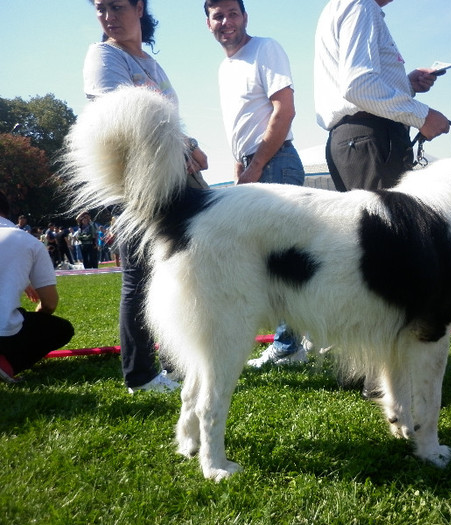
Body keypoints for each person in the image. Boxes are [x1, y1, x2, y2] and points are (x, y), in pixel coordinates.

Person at [84, 0, 209, 393]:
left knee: (174, 271)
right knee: (139, 277)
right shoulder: (102, 56)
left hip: (169, 180)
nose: (108, 16)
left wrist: (189, 146)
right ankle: (139, 374)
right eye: (100, 8)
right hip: (136, 183)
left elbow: (168, 123)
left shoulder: (151, 64)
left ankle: (174, 363)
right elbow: (125, 116)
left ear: (140, 8)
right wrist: (186, 146)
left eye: (117, 6)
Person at [204, 0, 308, 368]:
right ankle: (293, 341)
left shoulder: (266, 49)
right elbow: (241, 125)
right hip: (252, 167)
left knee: (279, 262)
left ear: (245, 18)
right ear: (208, 23)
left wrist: (258, 164)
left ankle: (289, 345)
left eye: (233, 13)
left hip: (275, 164)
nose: (226, 21)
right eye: (218, 15)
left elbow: (285, 109)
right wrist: (240, 169)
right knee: (269, 262)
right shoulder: (224, 67)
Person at [314, 0, 451, 192]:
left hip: (358, 139)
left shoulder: (347, 6)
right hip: (372, 137)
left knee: (373, 221)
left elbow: (355, 84)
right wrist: (423, 116)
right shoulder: (362, 5)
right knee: (388, 222)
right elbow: (358, 85)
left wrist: (406, 85)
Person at [0, 191, 74, 383]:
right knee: (61, 329)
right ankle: (6, 364)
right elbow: (49, 304)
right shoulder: (27, 242)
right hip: (4, 333)